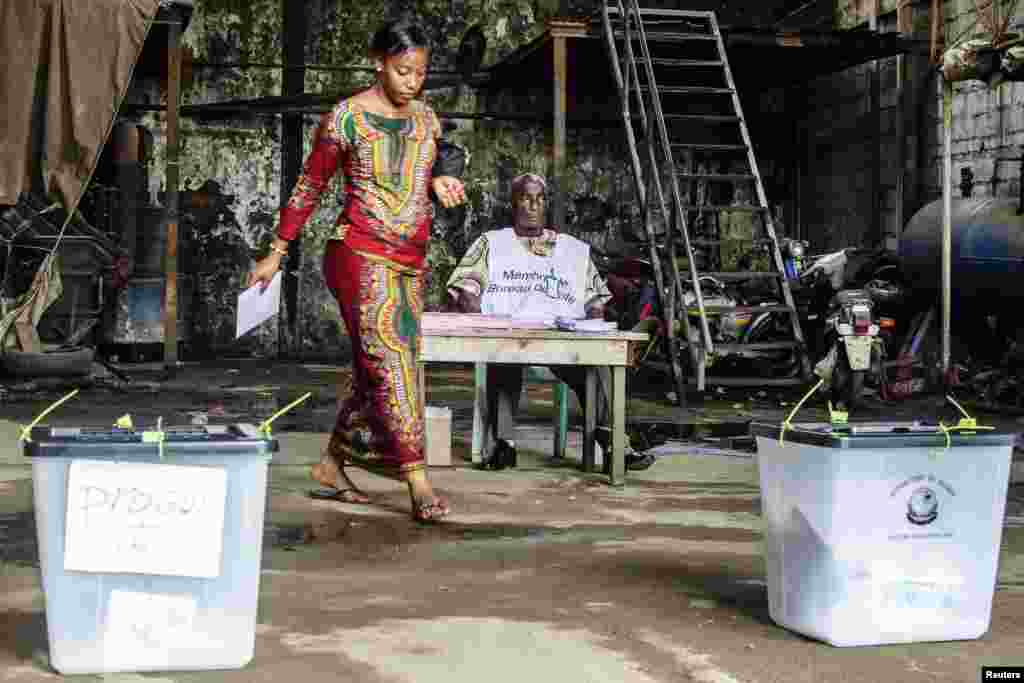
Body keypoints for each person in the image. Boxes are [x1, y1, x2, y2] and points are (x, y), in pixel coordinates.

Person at [248, 18, 467, 523]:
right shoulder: (346, 119)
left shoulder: (428, 121)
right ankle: (417, 480)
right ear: (379, 63)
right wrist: (277, 252)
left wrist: (442, 179)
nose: (412, 81)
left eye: (420, 72)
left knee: (381, 369)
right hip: (357, 255)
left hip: (410, 263)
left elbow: (440, 161)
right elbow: (309, 187)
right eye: (402, 70)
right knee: (392, 359)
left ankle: (331, 464)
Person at [445, 173, 655, 471]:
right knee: (500, 357)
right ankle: (504, 444)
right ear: (513, 203)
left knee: (600, 366)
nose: (533, 205)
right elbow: (467, 288)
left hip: (561, 338)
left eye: (540, 198)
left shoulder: (570, 249)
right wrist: (478, 309)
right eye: (525, 198)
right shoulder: (492, 243)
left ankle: (614, 444)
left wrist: (590, 326)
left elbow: (595, 303)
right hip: (511, 336)